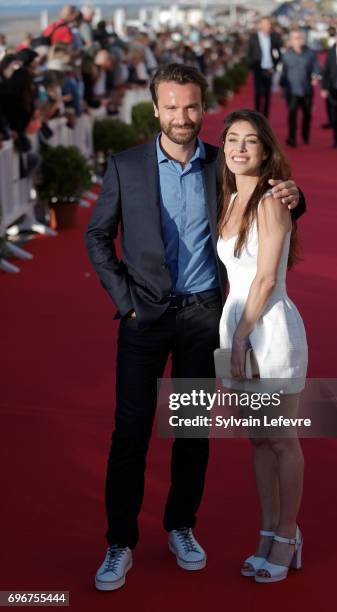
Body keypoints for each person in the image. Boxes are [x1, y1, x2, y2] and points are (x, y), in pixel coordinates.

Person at [85, 63, 305, 591]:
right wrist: (127, 301)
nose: (182, 117)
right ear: (155, 108)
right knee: (131, 432)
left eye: (191, 106)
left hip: (203, 320)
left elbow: (270, 200)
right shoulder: (126, 166)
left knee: (190, 431)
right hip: (145, 322)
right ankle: (120, 542)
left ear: (201, 108)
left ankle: (181, 526)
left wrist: (298, 195)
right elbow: (97, 236)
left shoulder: (220, 163)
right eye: (172, 106)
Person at [217, 109, 308, 583]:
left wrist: (239, 337)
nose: (239, 149)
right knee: (257, 440)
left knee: (281, 438)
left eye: (251, 141)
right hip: (236, 327)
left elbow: (267, 277)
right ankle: (267, 531)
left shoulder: (273, 201)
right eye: (232, 139)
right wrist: (232, 336)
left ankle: (289, 534)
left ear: (267, 150)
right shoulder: (229, 197)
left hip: (267, 329)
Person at [280, 30, 321, 147]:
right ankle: (291, 138)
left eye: (299, 38)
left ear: (303, 40)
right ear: (291, 41)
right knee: (292, 114)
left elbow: (317, 67)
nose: (297, 40)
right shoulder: (287, 54)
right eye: (295, 38)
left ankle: (305, 135)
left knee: (307, 114)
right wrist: (282, 87)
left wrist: (316, 76)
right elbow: (283, 72)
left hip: (306, 89)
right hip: (292, 90)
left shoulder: (310, 53)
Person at [247, 17, 282, 118]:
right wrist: (252, 66)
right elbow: (249, 54)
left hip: (269, 70)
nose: (268, 27)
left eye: (269, 24)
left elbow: (278, 53)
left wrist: (274, 66)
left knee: (267, 95)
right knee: (258, 93)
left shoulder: (274, 37)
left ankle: (265, 118)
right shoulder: (253, 37)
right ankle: (257, 116)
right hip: (258, 69)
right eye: (266, 24)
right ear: (260, 25)